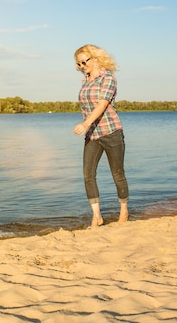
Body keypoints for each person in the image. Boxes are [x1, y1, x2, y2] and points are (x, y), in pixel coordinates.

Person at [72, 44, 129, 227]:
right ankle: (97, 216)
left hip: (111, 132)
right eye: (79, 63)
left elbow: (102, 104)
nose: (82, 66)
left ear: (95, 59)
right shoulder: (86, 81)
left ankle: (124, 211)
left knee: (117, 174)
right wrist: (87, 127)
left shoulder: (108, 78)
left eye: (84, 61)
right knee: (88, 175)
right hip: (92, 135)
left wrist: (86, 123)